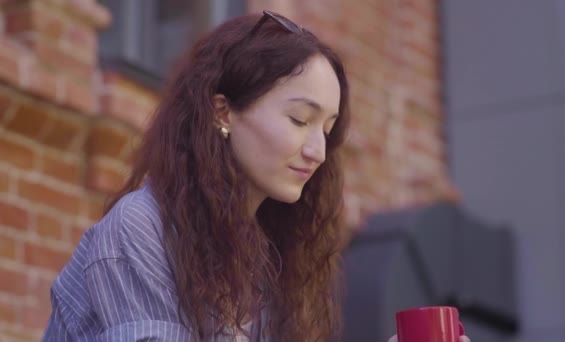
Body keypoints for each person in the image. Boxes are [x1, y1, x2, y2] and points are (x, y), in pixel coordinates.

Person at [42, 10, 471, 342]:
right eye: (300, 119)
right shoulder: (141, 229)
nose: (318, 151)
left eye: (326, 129)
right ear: (223, 111)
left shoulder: (261, 258)